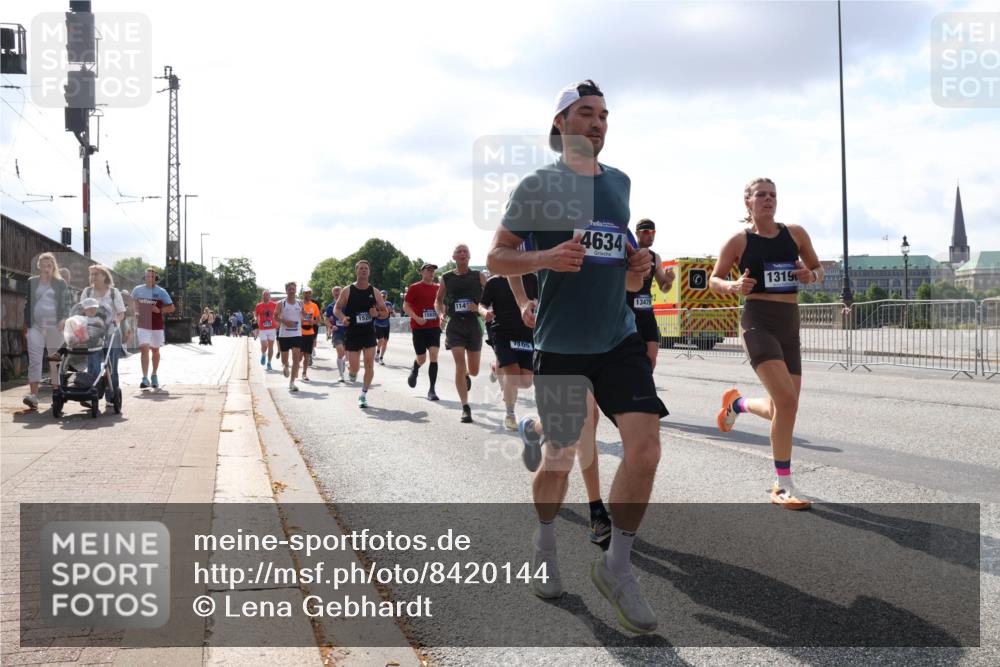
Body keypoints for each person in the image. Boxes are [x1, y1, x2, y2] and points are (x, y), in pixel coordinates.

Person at [486, 79, 667, 634]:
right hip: (561, 345)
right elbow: (498, 257)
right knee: (559, 461)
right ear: (561, 123)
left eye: (604, 115)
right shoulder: (537, 185)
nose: (597, 122)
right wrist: (546, 257)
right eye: (586, 113)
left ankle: (616, 568)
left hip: (618, 339)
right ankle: (544, 545)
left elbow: (622, 260)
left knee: (644, 451)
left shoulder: (620, 183)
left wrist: (639, 266)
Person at [710, 176, 823, 510]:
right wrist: (731, 287)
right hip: (758, 322)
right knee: (787, 402)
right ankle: (782, 484)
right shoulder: (738, 241)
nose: (768, 199)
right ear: (748, 202)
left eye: (773, 194)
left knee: (781, 407)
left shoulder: (796, 234)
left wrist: (810, 276)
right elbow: (715, 279)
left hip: (789, 324)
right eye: (761, 195)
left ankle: (737, 404)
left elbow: (818, 268)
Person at [479, 272, 537, 431]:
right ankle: (510, 415)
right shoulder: (494, 282)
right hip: (502, 332)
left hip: (525, 333)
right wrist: (485, 313)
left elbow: (538, 301)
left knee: (526, 382)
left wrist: (535, 307)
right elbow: (481, 305)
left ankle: (495, 366)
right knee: (512, 375)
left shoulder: (531, 278)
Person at [437, 244, 487, 423]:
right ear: (453, 257)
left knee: (473, 371)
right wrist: (441, 312)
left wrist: (480, 308)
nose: (462, 253)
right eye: (459, 251)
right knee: (459, 364)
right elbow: (438, 300)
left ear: (470, 256)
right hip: (455, 325)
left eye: (465, 251)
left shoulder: (478, 276)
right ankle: (465, 407)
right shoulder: (446, 277)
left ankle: (467, 374)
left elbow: (490, 297)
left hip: (474, 325)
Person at [333, 260, 389, 408]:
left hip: (369, 333)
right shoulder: (348, 290)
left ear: (369, 272)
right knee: (355, 367)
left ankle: (363, 394)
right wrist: (343, 318)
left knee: (370, 363)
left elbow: (385, 312)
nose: (363, 270)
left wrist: (376, 313)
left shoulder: (375, 292)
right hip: (352, 333)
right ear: (356, 271)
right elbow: (337, 309)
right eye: (361, 268)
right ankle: (352, 371)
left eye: (366, 268)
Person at [22, 253, 72, 410]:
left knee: (54, 361)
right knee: (35, 360)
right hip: (35, 327)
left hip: (54, 327)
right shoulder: (32, 282)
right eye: (43, 266)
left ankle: (56, 395)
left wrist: (64, 319)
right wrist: (25, 322)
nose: (46, 269)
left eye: (49, 266)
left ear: (53, 267)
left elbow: (67, 304)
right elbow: (28, 303)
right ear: (39, 267)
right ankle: (34, 396)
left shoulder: (60, 284)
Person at [627, 219, 675, 369]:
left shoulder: (655, 257)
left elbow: (664, 287)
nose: (650, 235)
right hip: (627, 312)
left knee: (651, 357)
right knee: (629, 357)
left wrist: (670, 280)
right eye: (646, 232)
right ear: (637, 233)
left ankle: (643, 389)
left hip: (646, 313)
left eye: (653, 232)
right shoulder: (629, 252)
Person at [81, 264, 125, 403]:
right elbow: (80, 310)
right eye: (91, 274)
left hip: (111, 332)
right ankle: (91, 394)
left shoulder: (113, 292)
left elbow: (121, 313)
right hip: (93, 334)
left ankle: (111, 396)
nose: (93, 277)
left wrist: (115, 320)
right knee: (93, 364)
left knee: (111, 365)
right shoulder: (87, 292)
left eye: (96, 274)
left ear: (104, 276)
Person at [403, 264, 443, 400]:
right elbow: (406, 306)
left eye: (433, 271)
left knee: (434, 355)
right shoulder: (414, 288)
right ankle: (415, 369)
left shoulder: (438, 288)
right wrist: (416, 318)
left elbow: (442, 305)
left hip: (434, 327)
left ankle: (432, 390)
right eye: (428, 270)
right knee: (421, 358)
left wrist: (443, 316)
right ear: (421, 272)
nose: (431, 273)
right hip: (419, 328)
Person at [131, 268, 175, 389]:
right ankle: (144, 379)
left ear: (155, 278)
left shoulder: (161, 292)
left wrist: (160, 310)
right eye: (147, 276)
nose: (149, 279)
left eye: (152, 277)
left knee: (155, 351)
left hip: (156, 326)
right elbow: (133, 302)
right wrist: (135, 311)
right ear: (144, 278)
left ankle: (154, 374)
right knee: (144, 349)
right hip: (143, 324)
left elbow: (172, 308)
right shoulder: (137, 290)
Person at [274, 281, 304, 392]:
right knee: (284, 360)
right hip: (284, 335)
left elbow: (303, 315)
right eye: (289, 289)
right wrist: (284, 321)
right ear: (286, 290)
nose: (292, 291)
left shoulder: (300, 303)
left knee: (296, 358)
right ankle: (285, 365)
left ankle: (292, 383)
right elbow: (275, 316)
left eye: (293, 289)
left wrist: (305, 314)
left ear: (295, 290)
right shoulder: (281, 303)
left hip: (296, 334)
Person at [324, 286, 348, 382]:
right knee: (340, 351)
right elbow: (325, 319)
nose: (337, 293)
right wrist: (331, 326)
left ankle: (343, 363)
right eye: (335, 292)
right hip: (337, 331)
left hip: (348, 332)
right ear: (333, 294)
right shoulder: (330, 306)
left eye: (339, 292)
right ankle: (341, 375)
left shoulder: (348, 304)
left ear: (342, 292)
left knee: (347, 354)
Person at [300, 287, 321, 381]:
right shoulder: (299, 304)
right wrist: (302, 320)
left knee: (307, 356)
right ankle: (295, 369)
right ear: (303, 294)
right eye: (306, 293)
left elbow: (319, 319)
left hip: (310, 333)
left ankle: (304, 373)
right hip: (299, 333)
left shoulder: (314, 306)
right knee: (299, 356)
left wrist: (314, 321)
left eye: (309, 293)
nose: (308, 295)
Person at [255, 290, 278, 370]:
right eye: (264, 295)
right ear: (262, 296)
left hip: (272, 328)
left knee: (271, 347)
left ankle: (269, 363)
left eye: (267, 295)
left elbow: (278, 314)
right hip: (262, 328)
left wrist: (278, 321)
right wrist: (256, 321)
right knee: (264, 345)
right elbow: (256, 315)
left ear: (269, 296)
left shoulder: (274, 304)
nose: (266, 296)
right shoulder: (258, 305)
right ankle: (263, 354)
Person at [374, 289, 392, 365]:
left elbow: (391, 314)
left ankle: (381, 358)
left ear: (386, 296)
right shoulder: (375, 303)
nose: (383, 297)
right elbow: (374, 313)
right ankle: (377, 353)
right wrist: (379, 313)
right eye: (382, 296)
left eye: (384, 296)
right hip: (377, 324)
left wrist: (391, 311)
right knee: (381, 340)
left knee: (385, 342)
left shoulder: (389, 304)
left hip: (386, 324)